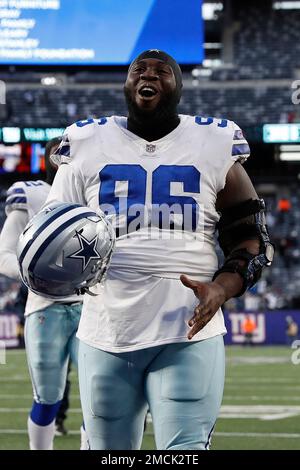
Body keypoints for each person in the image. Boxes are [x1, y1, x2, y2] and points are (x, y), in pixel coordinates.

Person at [46, 49, 274, 450]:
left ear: (178, 87)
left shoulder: (213, 141)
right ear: (126, 83)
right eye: (139, 69)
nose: (148, 75)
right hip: (106, 330)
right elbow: (49, 233)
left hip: (188, 331)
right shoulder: (84, 141)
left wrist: (221, 289)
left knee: (184, 451)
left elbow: (250, 236)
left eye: (162, 71)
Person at [0, 138, 88, 450]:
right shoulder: (32, 194)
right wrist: (37, 273)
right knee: (47, 397)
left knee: (99, 397)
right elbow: (4, 254)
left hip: (92, 307)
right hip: (45, 308)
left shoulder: (96, 192)